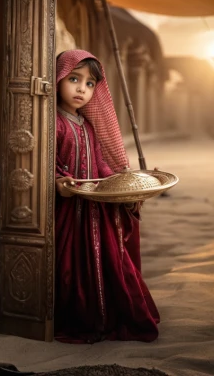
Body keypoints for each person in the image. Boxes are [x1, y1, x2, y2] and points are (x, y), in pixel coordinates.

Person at [54, 49, 160, 344]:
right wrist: (58, 182)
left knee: (106, 260)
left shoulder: (87, 126)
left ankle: (104, 316)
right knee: (69, 265)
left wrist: (125, 181)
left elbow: (101, 164)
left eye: (90, 84)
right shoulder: (53, 124)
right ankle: (79, 316)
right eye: (74, 79)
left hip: (94, 212)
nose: (81, 89)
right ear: (58, 77)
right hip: (67, 213)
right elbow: (44, 164)